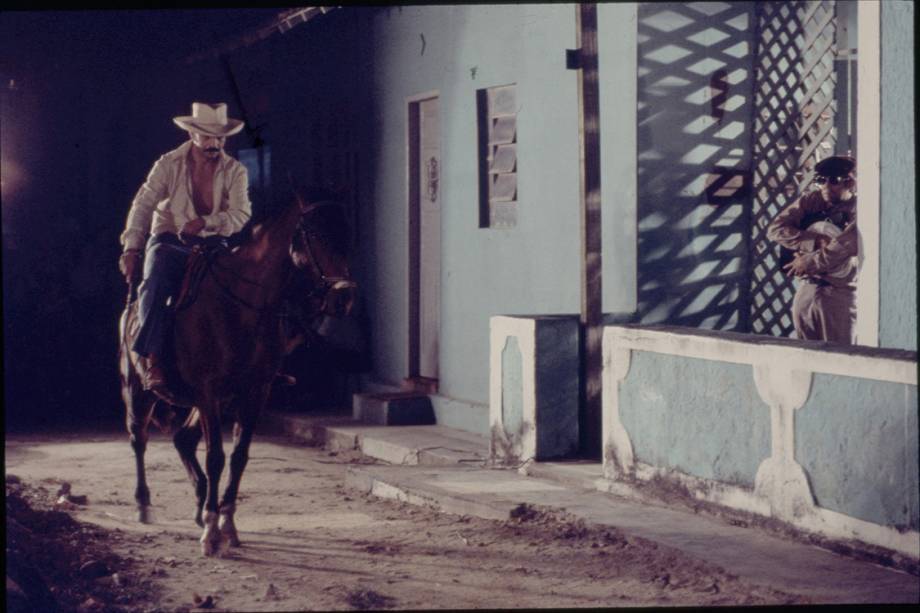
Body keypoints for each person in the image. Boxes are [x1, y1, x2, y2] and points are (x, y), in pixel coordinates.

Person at [118, 102, 252, 390]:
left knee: (246, 287)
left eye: (219, 137)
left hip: (213, 242)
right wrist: (132, 248)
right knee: (154, 281)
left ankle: (255, 364)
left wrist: (206, 222)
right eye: (207, 136)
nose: (214, 143)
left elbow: (241, 214)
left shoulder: (235, 170)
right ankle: (153, 358)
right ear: (192, 135)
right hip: (169, 240)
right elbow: (142, 205)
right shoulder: (168, 164)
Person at [767, 155, 858, 344]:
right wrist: (814, 240)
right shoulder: (812, 201)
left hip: (838, 294)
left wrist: (807, 261)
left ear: (849, 182)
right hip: (806, 288)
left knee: (838, 356)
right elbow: (775, 230)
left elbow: (844, 247)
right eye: (820, 180)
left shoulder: (860, 209)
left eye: (833, 180)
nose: (825, 186)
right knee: (805, 351)